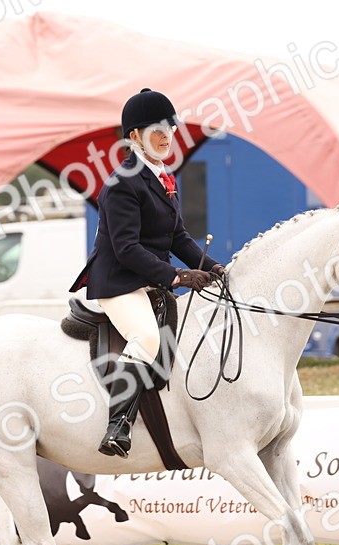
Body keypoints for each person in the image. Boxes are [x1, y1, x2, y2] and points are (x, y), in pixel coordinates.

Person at [68, 88, 224, 458]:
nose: (166, 135)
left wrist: (214, 266)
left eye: (169, 128)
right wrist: (177, 276)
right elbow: (126, 248)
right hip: (119, 281)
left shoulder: (162, 177)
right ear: (134, 137)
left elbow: (179, 238)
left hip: (147, 278)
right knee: (147, 338)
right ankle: (117, 427)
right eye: (156, 129)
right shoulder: (123, 182)